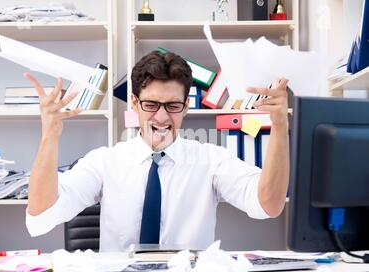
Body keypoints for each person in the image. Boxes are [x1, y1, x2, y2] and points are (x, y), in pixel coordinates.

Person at [25, 50, 289, 251]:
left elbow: (268, 205)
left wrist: (278, 126)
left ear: (186, 106)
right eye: (151, 104)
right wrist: (49, 134)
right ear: (134, 104)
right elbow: (41, 214)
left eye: (173, 106)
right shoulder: (105, 162)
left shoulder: (212, 161)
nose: (162, 118)